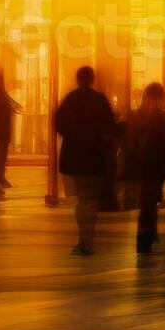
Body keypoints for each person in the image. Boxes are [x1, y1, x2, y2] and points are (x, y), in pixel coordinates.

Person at [52, 66, 121, 256]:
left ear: (77, 79)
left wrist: (73, 137)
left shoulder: (70, 100)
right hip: (95, 156)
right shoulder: (99, 100)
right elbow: (110, 126)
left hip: (75, 157)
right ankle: (87, 240)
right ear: (92, 80)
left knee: (82, 200)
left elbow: (59, 124)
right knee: (90, 199)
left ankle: (84, 241)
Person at [123, 82, 165, 255]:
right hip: (156, 167)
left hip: (143, 166)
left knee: (147, 202)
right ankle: (146, 239)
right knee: (149, 202)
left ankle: (147, 236)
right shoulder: (161, 118)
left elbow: (132, 143)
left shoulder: (136, 116)